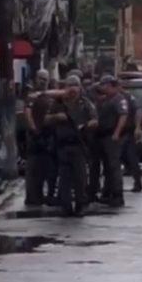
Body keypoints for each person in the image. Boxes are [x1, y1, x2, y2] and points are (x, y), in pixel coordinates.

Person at [44, 75, 98, 216]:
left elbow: (95, 120)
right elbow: (46, 120)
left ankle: (80, 205)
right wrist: (56, 117)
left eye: (75, 85)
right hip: (62, 145)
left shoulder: (85, 103)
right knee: (64, 178)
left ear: (79, 88)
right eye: (70, 85)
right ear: (65, 87)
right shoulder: (58, 103)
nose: (72, 88)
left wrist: (86, 126)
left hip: (78, 145)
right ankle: (66, 206)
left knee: (80, 178)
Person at [96, 75, 129, 207]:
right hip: (104, 136)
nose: (102, 88)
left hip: (113, 136)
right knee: (108, 167)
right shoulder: (106, 99)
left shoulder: (118, 99)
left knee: (114, 166)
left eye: (104, 85)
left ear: (109, 85)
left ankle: (117, 195)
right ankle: (107, 193)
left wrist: (117, 133)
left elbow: (123, 116)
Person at [24, 69, 55, 206]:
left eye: (45, 78)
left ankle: (48, 195)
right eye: (40, 78)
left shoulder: (51, 96)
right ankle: (32, 197)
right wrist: (34, 129)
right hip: (36, 137)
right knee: (33, 168)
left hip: (50, 137)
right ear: (36, 79)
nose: (43, 81)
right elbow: (28, 113)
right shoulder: (32, 96)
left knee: (49, 168)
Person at [119, 82, 142, 192]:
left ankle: (115, 188)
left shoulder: (125, 97)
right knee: (131, 158)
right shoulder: (128, 96)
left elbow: (139, 112)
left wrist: (138, 128)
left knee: (119, 160)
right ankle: (137, 183)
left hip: (125, 132)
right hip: (126, 132)